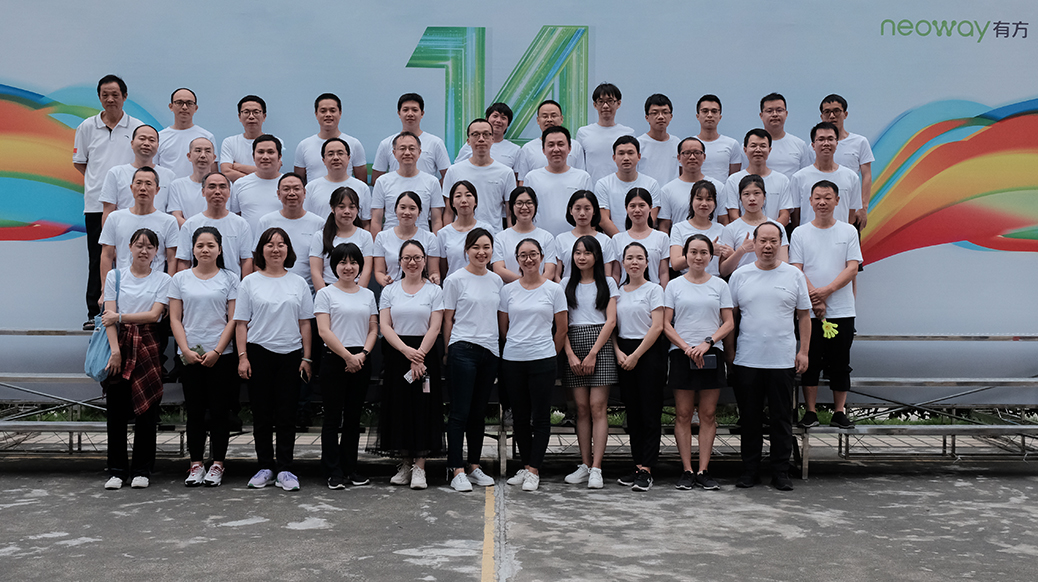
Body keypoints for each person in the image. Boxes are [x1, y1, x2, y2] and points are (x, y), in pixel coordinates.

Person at [728, 222, 811, 491]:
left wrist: (803, 351)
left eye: (773, 241)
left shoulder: (793, 275)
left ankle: (780, 471)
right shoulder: (740, 275)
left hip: (782, 360)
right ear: (754, 243)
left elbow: (804, 316)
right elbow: (730, 318)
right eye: (762, 241)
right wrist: (730, 353)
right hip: (747, 359)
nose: (767, 246)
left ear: (780, 243)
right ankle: (749, 470)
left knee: (781, 418)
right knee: (749, 418)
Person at [234, 227, 314, 491]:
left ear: (288, 249)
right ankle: (265, 467)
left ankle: (286, 469)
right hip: (258, 353)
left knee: (287, 415)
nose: (276, 249)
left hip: (290, 354)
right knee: (262, 415)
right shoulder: (249, 282)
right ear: (261, 250)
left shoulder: (298, 283)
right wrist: (243, 357)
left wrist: (307, 357)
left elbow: (305, 323)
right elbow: (241, 323)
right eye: (270, 244)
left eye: (281, 244)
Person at [99, 228, 171, 489]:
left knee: (147, 410)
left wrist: (120, 317)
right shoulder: (115, 276)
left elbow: (153, 315)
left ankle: (142, 470)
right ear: (129, 247)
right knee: (116, 411)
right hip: (118, 343)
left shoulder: (163, 279)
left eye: (150, 247)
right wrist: (115, 351)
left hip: (149, 344)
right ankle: (117, 471)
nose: (144, 250)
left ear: (156, 252)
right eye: (139, 245)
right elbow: (107, 317)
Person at [372, 240, 445, 489]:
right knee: (399, 408)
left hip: (425, 354)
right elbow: (385, 325)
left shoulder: (434, 291)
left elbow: (435, 326)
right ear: (400, 261)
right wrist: (407, 352)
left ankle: (420, 467)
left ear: (424, 260)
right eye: (407, 258)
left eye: (417, 258)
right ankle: (404, 463)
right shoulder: (390, 291)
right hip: (397, 354)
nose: (412, 262)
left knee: (423, 408)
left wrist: (419, 355)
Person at [168, 226, 238, 487]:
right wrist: (185, 349)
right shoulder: (180, 279)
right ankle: (195, 463)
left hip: (222, 355)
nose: (205, 250)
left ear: (219, 249)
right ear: (193, 249)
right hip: (189, 356)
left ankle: (218, 464)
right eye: (200, 245)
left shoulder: (230, 279)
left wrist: (218, 350)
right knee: (195, 411)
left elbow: (233, 319)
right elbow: (175, 318)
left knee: (220, 411)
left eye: (210, 245)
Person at [664, 234, 734, 491]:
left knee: (707, 414)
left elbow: (729, 322)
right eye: (693, 252)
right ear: (686, 255)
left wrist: (708, 343)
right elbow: (665, 324)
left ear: (710, 256)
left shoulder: (720, 285)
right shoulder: (674, 286)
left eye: (704, 252)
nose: (698, 257)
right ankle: (686, 469)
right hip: (681, 354)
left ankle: (704, 469)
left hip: (711, 353)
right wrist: (686, 347)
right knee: (683, 414)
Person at [790, 180, 862, 430]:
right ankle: (810, 412)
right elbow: (796, 269)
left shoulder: (849, 231)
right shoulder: (800, 233)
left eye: (827, 198)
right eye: (817, 198)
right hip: (807, 312)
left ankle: (839, 412)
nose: (822, 202)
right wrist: (814, 298)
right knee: (810, 361)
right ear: (810, 201)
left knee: (840, 363)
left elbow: (852, 268)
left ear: (837, 201)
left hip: (842, 310)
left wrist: (826, 292)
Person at [74, 74, 142, 329]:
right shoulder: (86, 127)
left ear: (125, 97)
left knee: (132, 258)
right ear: (99, 97)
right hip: (96, 206)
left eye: (115, 94)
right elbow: (80, 162)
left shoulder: (137, 127)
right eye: (105, 95)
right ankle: (96, 312)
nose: (110, 99)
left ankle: (131, 310)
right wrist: (103, 186)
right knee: (99, 258)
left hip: (130, 206)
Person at [499, 238, 568, 492]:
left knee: (540, 416)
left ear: (541, 257)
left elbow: (561, 329)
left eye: (533, 254)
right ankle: (526, 465)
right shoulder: (508, 291)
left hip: (543, 359)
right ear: (517, 259)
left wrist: (548, 353)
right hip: (513, 360)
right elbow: (504, 328)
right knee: (519, 417)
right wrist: (518, 345)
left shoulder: (554, 290)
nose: (529, 259)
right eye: (523, 255)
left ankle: (534, 469)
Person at [443, 228, 503, 492]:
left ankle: (474, 465)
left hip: (489, 351)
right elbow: (448, 319)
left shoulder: (497, 280)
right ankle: (456, 468)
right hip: (463, 348)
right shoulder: (455, 280)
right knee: (460, 412)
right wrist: (448, 351)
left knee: (479, 413)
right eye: (476, 247)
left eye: (486, 247)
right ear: (466, 250)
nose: (481, 252)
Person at [314, 242, 379, 489]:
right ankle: (333, 470)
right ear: (334, 266)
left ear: (360, 266)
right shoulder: (325, 294)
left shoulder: (367, 295)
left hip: (361, 359)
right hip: (334, 359)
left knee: (353, 417)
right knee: (332, 418)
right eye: (343, 262)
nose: (348, 267)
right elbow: (323, 330)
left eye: (353, 262)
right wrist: (347, 357)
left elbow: (373, 328)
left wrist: (362, 354)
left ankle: (350, 468)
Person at [560, 236, 618, 490]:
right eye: (578, 253)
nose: (581, 257)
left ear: (597, 256)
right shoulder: (564, 284)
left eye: (587, 253)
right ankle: (584, 464)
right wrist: (570, 354)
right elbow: (561, 323)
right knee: (581, 408)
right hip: (573, 341)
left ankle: (597, 467)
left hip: (600, 343)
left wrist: (594, 352)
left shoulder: (608, 283)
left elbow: (611, 320)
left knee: (597, 407)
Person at [612, 242, 666, 492]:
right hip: (624, 352)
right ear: (623, 262)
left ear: (647, 262)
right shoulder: (617, 292)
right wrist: (619, 352)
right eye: (630, 258)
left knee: (650, 413)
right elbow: (612, 325)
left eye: (639, 258)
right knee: (632, 413)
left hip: (648, 352)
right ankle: (637, 465)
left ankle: (648, 469)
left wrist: (636, 355)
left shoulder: (654, 290)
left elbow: (657, 326)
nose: (634, 262)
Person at [99, 167, 179, 287]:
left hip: (155, 288)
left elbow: (172, 259)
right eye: (138, 183)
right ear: (131, 188)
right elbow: (106, 255)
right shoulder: (115, 218)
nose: (143, 188)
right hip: (123, 287)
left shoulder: (169, 221)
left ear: (157, 190)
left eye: (148, 184)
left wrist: (169, 289)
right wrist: (105, 289)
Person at [441, 119, 517, 230]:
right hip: (461, 235)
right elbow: (448, 211)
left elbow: (510, 214)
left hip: (493, 236)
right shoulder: (454, 171)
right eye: (475, 134)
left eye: (486, 134)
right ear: (468, 141)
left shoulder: (506, 172)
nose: (481, 139)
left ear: (492, 139)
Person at [176, 172, 253, 277]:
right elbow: (184, 260)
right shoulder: (191, 224)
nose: (217, 191)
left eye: (222, 187)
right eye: (212, 187)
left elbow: (246, 259)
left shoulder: (241, 224)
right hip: (198, 283)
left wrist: (243, 285)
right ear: (203, 192)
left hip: (231, 284)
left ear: (229, 192)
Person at [255, 173, 324, 290]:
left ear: (304, 193)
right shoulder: (266, 221)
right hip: (271, 289)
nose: (292, 193)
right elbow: (258, 259)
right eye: (286, 189)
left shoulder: (319, 223)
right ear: (278, 194)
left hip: (308, 290)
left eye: (296, 189)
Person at [521, 126, 594, 236]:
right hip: (540, 240)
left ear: (569, 148)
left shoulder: (583, 177)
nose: (556, 149)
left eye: (560, 144)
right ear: (543, 150)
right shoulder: (531, 178)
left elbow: (591, 213)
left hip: (575, 241)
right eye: (551, 145)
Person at [787, 122, 862, 228]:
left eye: (830, 139)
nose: (826, 143)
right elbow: (795, 216)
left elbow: (851, 215)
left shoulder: (851, 177)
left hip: (840, 236)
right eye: (821, 139)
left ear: (836, 143)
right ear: (813, 145)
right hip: (809, 236)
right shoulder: (799, 177)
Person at [370, 132, 444, 235]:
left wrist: (435, 243)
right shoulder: (382, 181)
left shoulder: (432, 182)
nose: (407, 153)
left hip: (422, 240)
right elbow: (376, 220)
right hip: (390, 240)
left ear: (419, 152)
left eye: (412, 148)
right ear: (394, 153)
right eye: (402, 148)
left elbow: (436, 221)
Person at [99, 125, 176, 222]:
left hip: (158, 230)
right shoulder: (116, 173)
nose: (146, 143)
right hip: (125, 228)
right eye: (142, 139)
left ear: (157, 146)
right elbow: (108, 212)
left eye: (151, 140)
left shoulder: (169, 176)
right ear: (132, 143)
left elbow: (173, 213)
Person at [820, 94, 874, 228]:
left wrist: (863, 207)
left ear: (845, 114)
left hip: (851, 210)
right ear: (822, 116)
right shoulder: (815, 147)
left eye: (836, 111)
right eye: (827, 112)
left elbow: (866, 175)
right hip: (823, 209)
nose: (832, 116)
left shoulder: (860, 142)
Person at [371, 93, 451, 183]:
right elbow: (376, 179)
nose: (410, 114)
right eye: (405, 110)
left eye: (415, 110)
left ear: (422, 113)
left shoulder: (435, 143)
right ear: (399, 113)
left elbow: (448, 177)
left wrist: (432, 189)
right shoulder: (386, 144)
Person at [719, 175, 789, 277]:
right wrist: (741, 250)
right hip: (743, 280)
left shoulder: (777, 227)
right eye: (746, 194)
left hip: (772, 279)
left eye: (757, 193)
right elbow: (724, 271)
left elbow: (784, 263)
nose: (752, 198)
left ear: (764, 196)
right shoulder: (731, 228)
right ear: (740, 198)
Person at [722, 129, 794, 225]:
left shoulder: (782, 180)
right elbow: (733, 214)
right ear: (745, 150)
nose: (758, 150)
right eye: (753, 146)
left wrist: (769, 231)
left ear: (769, 150)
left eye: (763, 146)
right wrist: (749, 230)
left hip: (773, 233)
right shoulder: (733, 180)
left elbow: (785, 214)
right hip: (744, 233)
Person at [294, 93, 368, 183]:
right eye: (323, 111)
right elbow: (299, 182)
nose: (328, 114)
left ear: (340, 113)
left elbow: (361, 181)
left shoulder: (354, 144)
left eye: (332, 111)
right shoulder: (304, 145)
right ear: (316, 114)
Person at [310, 186, 374, 291]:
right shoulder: (320, 236)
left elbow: (366, 271)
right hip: (328, 289)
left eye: (352, 207)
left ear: (357, 210)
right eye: (341, 207)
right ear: (332, 208)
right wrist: (325, 295)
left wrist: (358, 294)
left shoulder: (365, 236)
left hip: (356, 290)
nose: (347, 211)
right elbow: (316, 272)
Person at [657, 137, 726, 233]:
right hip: (681, 241)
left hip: (712, 240)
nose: (692, 157)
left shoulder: (718, 187)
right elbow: (664, 225)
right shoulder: (667, 190)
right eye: (687, 153)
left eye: (697, 153)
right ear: (679, 158)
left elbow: (723, 220)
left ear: (704, 156)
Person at [594, 136, 661, 235]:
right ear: (614, 157)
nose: (626, 158)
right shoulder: (603, 184)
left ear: (639, 156)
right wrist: (622, 240)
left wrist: (636, 239)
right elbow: (604, 220)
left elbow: (651, 217)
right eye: (621, 153)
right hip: (614, 241)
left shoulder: (651, 184)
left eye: (630, 153)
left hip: (644, 240)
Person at [374, 191, 442, 286]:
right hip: (391, 288)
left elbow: (433, 271)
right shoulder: (382, 237)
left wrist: (434, 277)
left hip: (422, 289)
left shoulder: (430, 238)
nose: (407, 212)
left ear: (419, 212)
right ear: (395, 210)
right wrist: (384, 280)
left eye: (412, 208)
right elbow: (379, 271)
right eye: (402, 207)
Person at [492, 187, 558, 283]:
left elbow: (549, 272)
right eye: (519, 203)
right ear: (512, 207)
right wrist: (523, 284)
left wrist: (534, 286)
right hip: (510, 289)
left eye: (529, 203)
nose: (524, 207)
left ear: (535, 206)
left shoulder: (547, 237)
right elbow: (498, 269)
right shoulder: (501, 237)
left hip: (541, 290)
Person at [303, 138, 371, 227]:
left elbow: (366, 223)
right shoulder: (311, 187)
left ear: (348, 158)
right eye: (330, 154)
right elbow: (306, 220)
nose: (336, 158)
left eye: (340, 153)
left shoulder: (362, 187)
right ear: (324, 160)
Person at [669, 180, 731, 277]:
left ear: (715, 203)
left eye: (709, 199)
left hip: (714, 279)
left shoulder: (722, 229)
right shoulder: (679, 228)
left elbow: (724, 269)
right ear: (691, 201)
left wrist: (732, 254)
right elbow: (676, 264)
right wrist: (709, 250)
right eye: (699, 199)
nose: (704, 203)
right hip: (687, 279)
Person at [577, 83, 635, 185]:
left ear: (618, 103)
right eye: (601, 102)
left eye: (610, 101)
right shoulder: (584, 133)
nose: (605, 106)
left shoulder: (628, 133)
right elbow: (579, 166)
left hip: (622, 188)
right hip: (592, 190)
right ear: (595, 105)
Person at [610, 188, 669, 286]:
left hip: (653, 292)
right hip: (625, 292)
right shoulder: (617, 239)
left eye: (642, 205)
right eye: (632, 206)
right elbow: (616, 274)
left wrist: (663, 293)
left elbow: (664, 273)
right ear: (626, 208)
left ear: (650, 208)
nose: (637, 210)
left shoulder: (662, 237)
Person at [515, 100, 585, 182]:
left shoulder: (575, 146)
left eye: (553, 116)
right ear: (538, 120)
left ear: (561, 119)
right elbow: (523, 181)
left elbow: (581, 177)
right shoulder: (528, 148)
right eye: (545, 116)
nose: (549, 120)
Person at [436, 180, 495, 279]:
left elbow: (491, 262)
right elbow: (443, 267)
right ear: (452, 203)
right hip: (455, 284)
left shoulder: (486, 229)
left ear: (475, 201)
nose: (463, 200)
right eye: (458, 196)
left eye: (468, 195)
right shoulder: (443, 233)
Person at [228, 134, 284, 235]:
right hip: (249, 243)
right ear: (253, 156)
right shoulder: (240, 184)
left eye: (270, 152)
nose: (265, 157)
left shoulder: (288, 185)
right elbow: (235, 217)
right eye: (260, 152)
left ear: (279, 157)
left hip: (282, 243)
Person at [555, 190, 616, 281]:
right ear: (571, 211)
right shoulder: (561, 239)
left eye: (587, 209)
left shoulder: (605, 240)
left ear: (594, 211)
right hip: (568, 288)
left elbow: (607, 275)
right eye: (577, 208)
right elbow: (556, 275)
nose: (582, 213)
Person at [156, 88, 216, 179]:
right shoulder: (159, 137)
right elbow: (154, 169)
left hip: (199, 187)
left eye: (189, 103)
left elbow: (213, 171)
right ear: (171, 106)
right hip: (167, 187)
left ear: (195, 108)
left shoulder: (207, 137)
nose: (184, 107)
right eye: (179, 102)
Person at [220, 95, 281, 182]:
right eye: (246, 112)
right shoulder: (229, 142)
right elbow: (226, 172)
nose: (251, 116)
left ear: (264, 116)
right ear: (239, 117)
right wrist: (256, 178)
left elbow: (273, 170)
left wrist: (237, 167)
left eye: (256, 112)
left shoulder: (274, 141)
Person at [758, 92, 811, 179]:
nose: (775, 114)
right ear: (761, 115)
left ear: (786, 114)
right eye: (769, 111)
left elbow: (805, 176)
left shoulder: (799, 145)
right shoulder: (752, 146)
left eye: (779, 110)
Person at [455, 102, 521, 171]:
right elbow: (457, 169)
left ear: (508, 124)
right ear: (487, 119)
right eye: (495, 116)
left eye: (503, 118)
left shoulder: (515, 150)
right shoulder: (472, 144)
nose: (498, 120)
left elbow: (516, 175)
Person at [168, 137, 218, 226]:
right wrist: (194, 231)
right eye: (198, 151)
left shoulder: (223, 185)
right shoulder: (177, 185)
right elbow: (176, 215)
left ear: (214, 158)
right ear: (189, 156)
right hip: (187, 232)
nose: (203, 155)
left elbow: (223, 214)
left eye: (207, 151)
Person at [636, 94, 681, 186]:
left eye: (665, 112)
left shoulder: (677, 143)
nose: (660, 117)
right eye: (655, 113)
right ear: (647, 117)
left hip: (671, 193)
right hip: (646, 193)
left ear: (671, 116)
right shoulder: (639, 144)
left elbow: (682, 173)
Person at [694, 94, 741, 182]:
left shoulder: (732, 144)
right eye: (705, 111)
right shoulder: (688, 145)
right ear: (698, 116)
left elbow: (734, 179)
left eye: (714, 111)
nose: (709, 115)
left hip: (722, 191)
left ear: (720, 116)